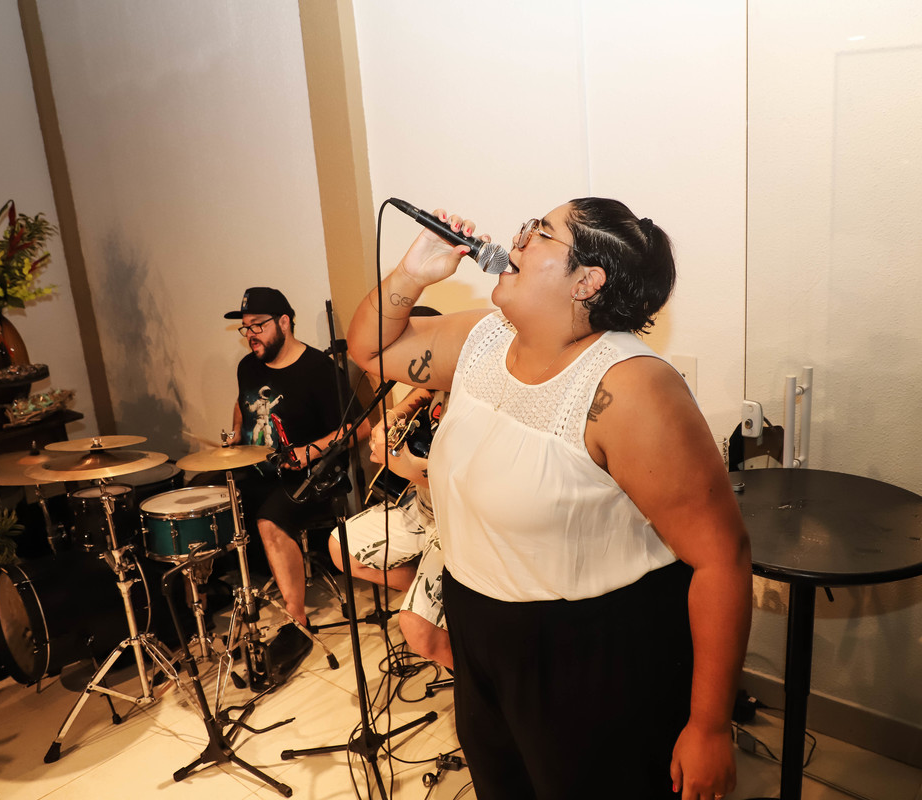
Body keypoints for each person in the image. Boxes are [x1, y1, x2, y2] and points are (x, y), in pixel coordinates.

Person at [347, 200, 752, 800]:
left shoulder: (632, 388)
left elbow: (722, 558)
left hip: (587, 653)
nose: (516, 239)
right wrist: (411, 273)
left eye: (539, 233)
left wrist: (710, 726)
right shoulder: (484, 338)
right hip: (480, 624)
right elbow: (371, 352)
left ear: (587, 281)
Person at [222, 287, 369, 635]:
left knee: (269, 520)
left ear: (284, 322)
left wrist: (309, 451)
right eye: (246, 328)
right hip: (258, 472)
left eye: (257, 326)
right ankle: (209, 601)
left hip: (312, 478)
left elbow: (359, 427)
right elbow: (242, 403)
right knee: (205, 497)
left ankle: (296, 618)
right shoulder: (248, 366)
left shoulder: (318, 369)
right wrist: (236, 434)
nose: (250, 335)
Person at [328, 384, 452, 669]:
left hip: (456, 519)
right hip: (422, 504)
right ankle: (433, 602)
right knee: (342, 547)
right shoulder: (446, 366)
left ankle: (486, 688)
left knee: (419, 631)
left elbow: (459, 482)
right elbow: (426, 389)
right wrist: (395, 415)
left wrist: (401, 465)